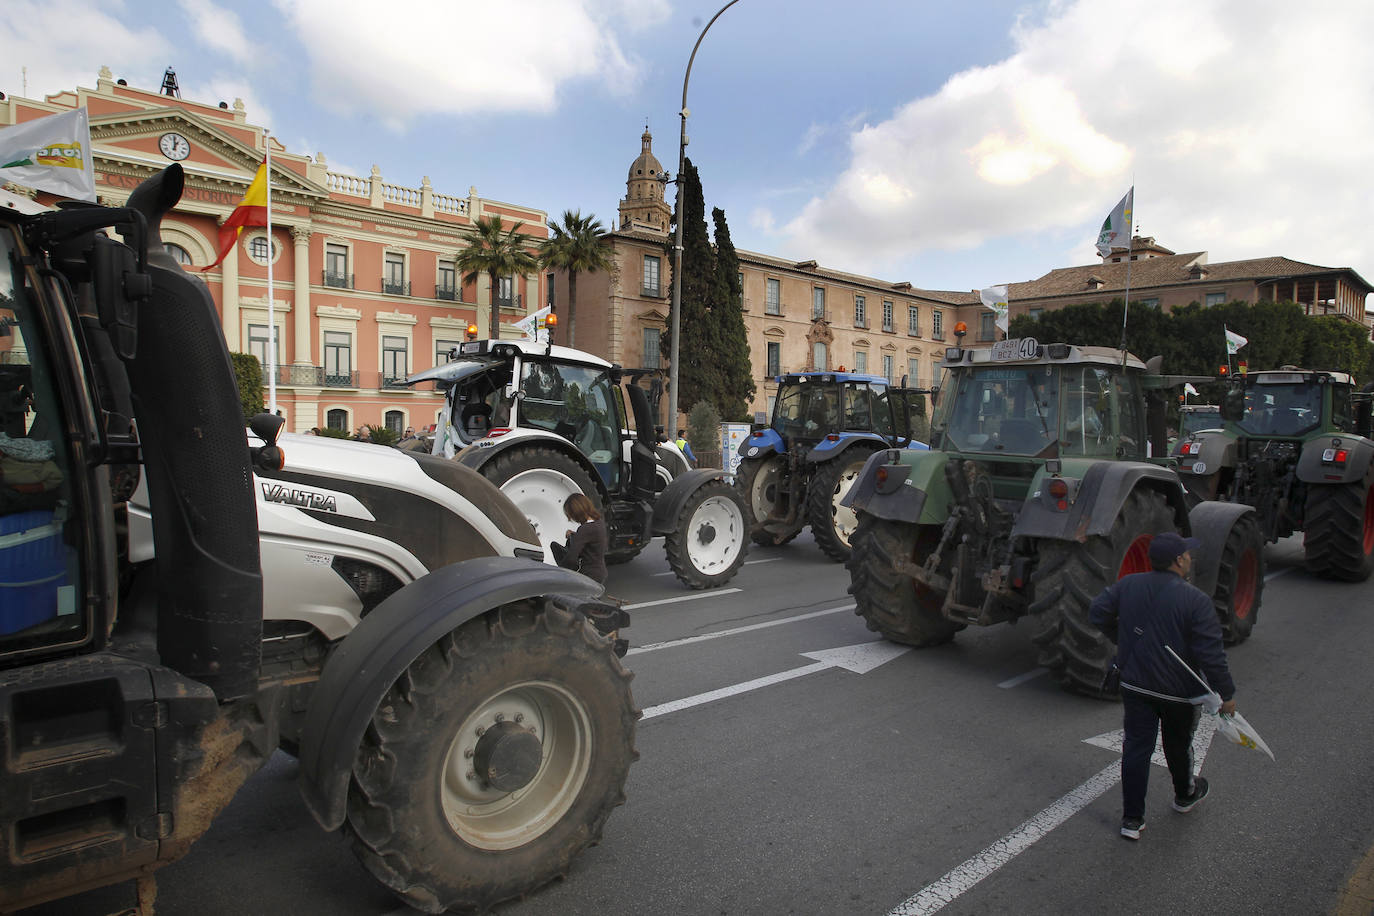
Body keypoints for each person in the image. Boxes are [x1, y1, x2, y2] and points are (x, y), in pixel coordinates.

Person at [1089, 532, 1237, 841]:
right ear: (1179, 561)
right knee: (1178, 745)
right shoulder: (1196, 600)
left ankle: (1131, 820)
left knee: (1136, 748)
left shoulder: (1128, 585)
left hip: (1136, 685)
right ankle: (1185, 794)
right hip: (1179, 692)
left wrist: (1122, 639)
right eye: (1187, 554)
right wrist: (1227, 693)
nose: (1190, 558)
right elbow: (1211, 654)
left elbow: (1097, 612)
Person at [550, 493, 608, 584]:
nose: (570, 519)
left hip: (588, 575)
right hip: (599, 572)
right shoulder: (599, 522)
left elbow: (571, 559)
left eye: (571, 516)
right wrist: (574, 535)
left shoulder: (585, 529)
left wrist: (560, 573)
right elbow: (591, 540)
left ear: (576, 512)